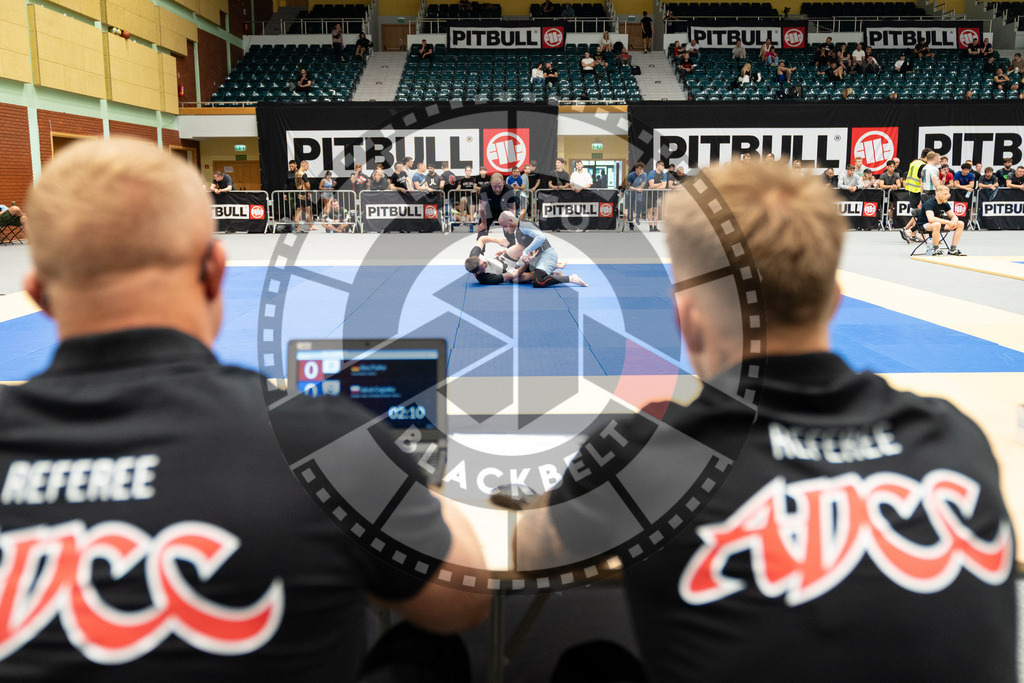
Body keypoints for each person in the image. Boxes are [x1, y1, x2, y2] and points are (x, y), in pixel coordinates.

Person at [4, 137, 491, 679]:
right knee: (434, 654)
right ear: (215, 269)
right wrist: (416, 479)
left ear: (38, 294)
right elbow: (463, 601)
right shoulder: (317, 439)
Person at [514, 160, 1015, 682]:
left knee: (589, 666)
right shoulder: (953, 437)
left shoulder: (651, 451)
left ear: (687, 319)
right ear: (834, 303)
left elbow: (531, 553)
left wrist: (553, 494)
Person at [496, 211, 587, 287]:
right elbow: (521, 247)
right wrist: (506, 252)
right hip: (536, 260)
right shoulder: (518, 231)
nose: (505, 230)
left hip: (546, 255)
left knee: (538, 282)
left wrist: (525, 252)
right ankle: (555, 274)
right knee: (515, 278)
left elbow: (541, 237)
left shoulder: (524, 226)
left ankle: (571, 278)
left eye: (505, 226)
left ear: (511, 220)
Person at [918, 185, 966, 255]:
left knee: (960, 223)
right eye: (945, 194)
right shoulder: (929, 203)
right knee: (937, 224)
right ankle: (936, 249)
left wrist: (954, 220)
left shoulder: (945, 203)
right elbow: (931, 219)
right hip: (925, 224)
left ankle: (953, 249)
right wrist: (948, 222)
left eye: (948, 194)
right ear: (938, 195)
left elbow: (953, 215)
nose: (948, 196)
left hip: (939, 224)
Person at [646, 160, 668, 231]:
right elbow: (651, 185)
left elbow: (664, 186)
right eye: (662, 165)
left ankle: (655, 226)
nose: (663, 167)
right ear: (658, 166)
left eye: (663, 165)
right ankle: (650, 226)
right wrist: (659, 184)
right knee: (649, 210)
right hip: (650, 194)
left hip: (658, 195)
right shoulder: (651, 173)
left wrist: (655, 186)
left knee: (656, 210)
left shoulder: (664, 175)